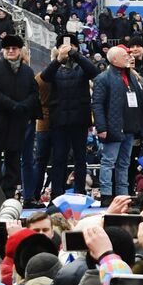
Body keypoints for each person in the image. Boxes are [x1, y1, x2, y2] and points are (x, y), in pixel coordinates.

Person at [41, 39, 100, 198]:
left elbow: (94, 72)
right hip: (59, 120)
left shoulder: (82, 66)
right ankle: (57, 193)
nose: (67, 49)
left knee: (80, 158)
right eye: (63, 47)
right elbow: (45, 77)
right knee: (59, 158)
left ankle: (79, 192)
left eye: (71, 47)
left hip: (80, 119)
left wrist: (76, 54)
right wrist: (59, 59)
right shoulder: (55, 67)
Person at [0, 35, 37, 198]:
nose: (11, 51)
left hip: (16, 124)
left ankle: (9, 195)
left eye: (14, 48)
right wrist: (14, 105)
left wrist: (24, 106)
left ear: (19, 51)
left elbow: (34, 93)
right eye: (8, 49)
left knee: (13, 162)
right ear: (3, 51)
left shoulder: (27, 71)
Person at [92, 45, 143, 198]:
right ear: (115, 59)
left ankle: (123, 194)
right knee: (109, 162)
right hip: (112, 127)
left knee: (124, 163)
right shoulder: (103, 78)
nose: (128, 58)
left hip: (130, 126)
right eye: (125, 56)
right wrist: (101, 127)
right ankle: (106, 194)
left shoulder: (131, 77)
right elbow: (97, 104)